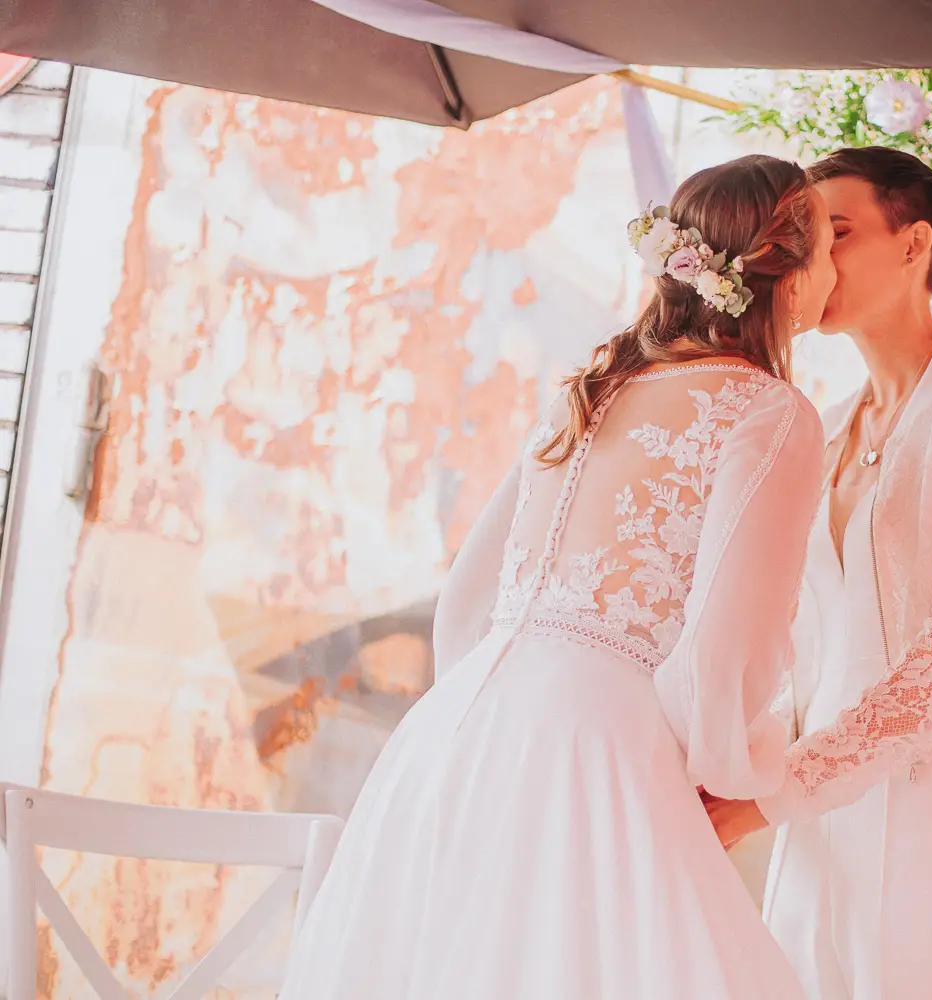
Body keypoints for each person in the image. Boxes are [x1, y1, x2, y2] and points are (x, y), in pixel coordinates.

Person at [277, 154, 836, 1000]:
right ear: (787, 279)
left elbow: (470, 592)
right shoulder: (770, 412)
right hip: (598, 748)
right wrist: (728, 770)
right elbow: (730, 642)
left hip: (454, 732)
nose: (834, 268)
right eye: (829, 246)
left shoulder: (597, 386)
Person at [705, 146, 932, 999]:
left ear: (913, 246)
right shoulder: (819, 430)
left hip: (928, 799)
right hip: (812, 808)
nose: (811, 256)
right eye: (806, 235)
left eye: (839, 231)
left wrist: (774, 798)